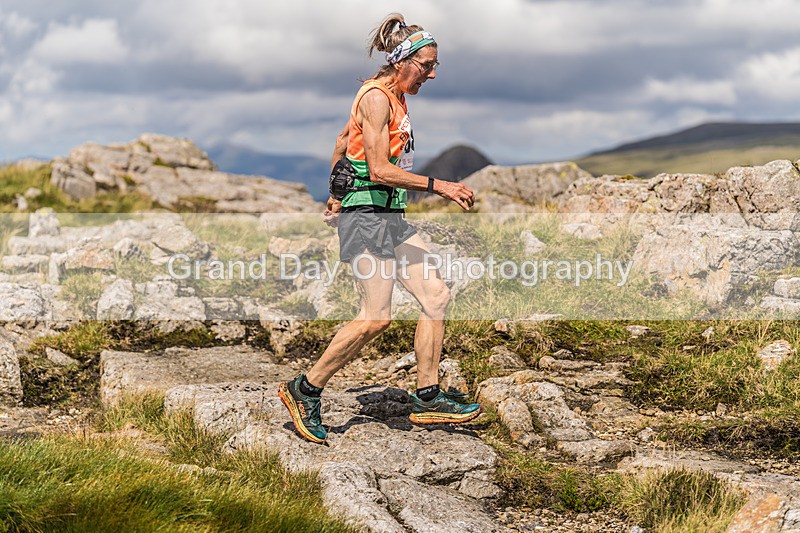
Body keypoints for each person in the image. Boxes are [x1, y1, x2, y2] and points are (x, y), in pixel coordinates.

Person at [278, 13, 479, 444]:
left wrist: (335, 192)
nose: (432, 74)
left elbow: (341, 142)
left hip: (389, 216)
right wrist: (440, 185)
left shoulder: (396, 96)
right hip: (367, 216)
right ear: (402, 60)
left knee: (436, 295)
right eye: (427, 65)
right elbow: (378, 169)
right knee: (376, 318)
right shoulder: (375, 98)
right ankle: (305, 390)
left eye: (436, 65)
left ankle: (427, 397)